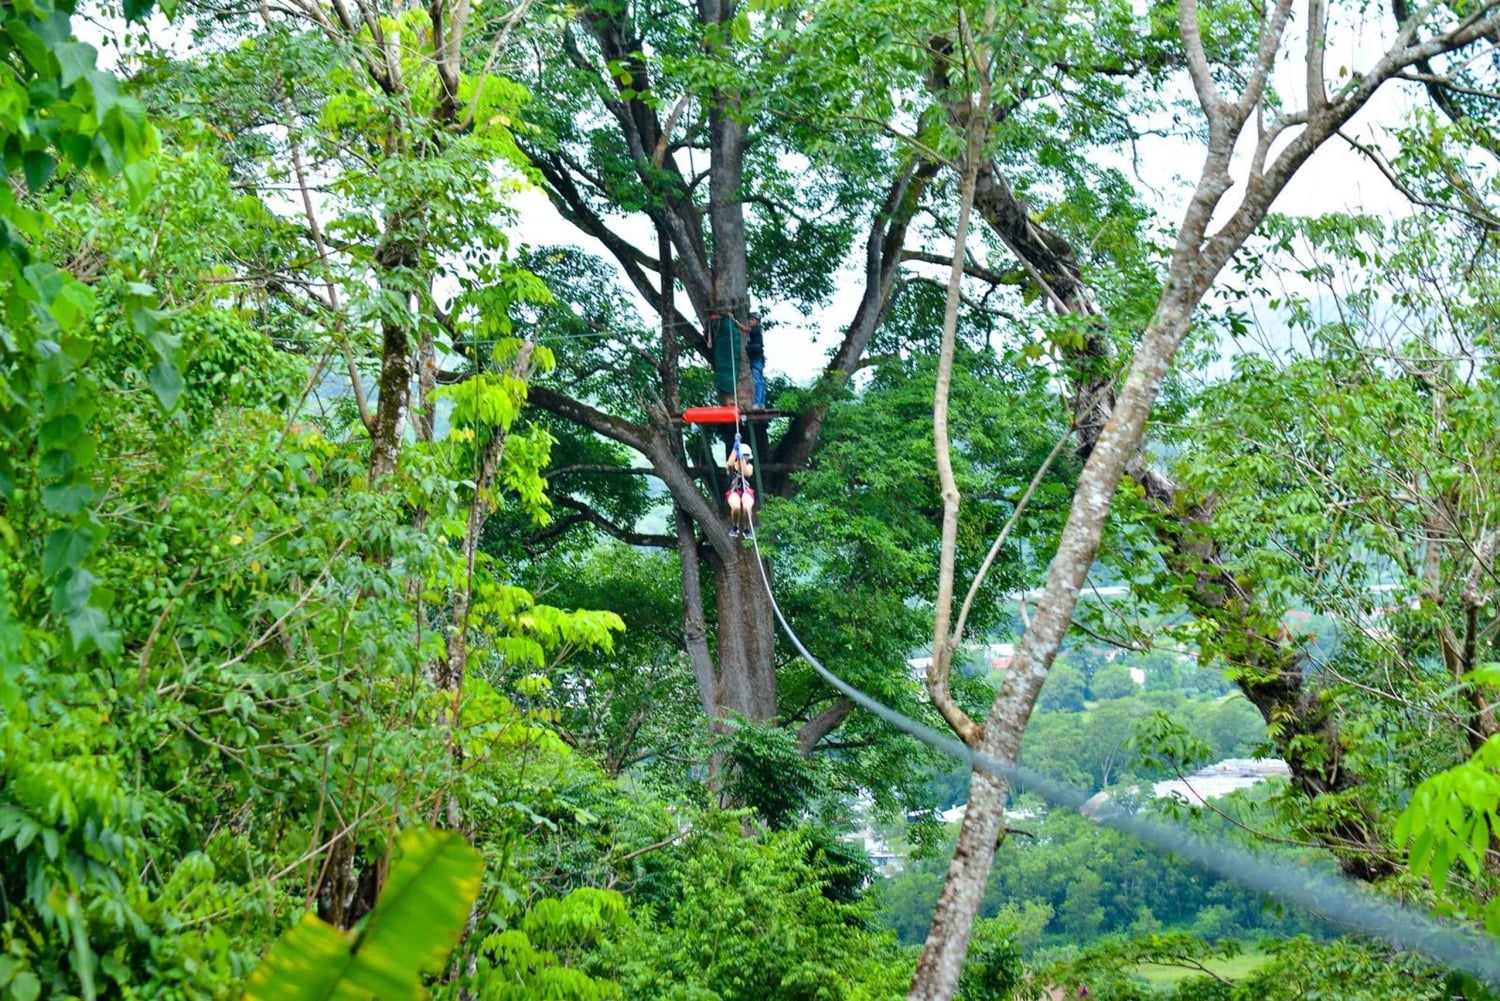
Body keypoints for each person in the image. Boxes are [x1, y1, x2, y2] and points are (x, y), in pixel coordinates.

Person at [708, 308, 742, 406]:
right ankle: (729, 399)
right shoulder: (727, 325)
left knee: (728, 371)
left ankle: (730, 399)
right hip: (726, 354)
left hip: (728, 354)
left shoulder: (726, 324)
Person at [724, 441, 755, 539]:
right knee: (736, 507)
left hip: (746, 491)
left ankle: (746, 528)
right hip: (734, 491)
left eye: (747, 455)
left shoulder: (749, 466)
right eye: (744, 455)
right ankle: (735, 526)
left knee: (747, 508)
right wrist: (735, 449)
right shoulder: (731, 466)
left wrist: (741, 460)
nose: (746, 457)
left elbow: (747, 473)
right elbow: (729, 464)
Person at [745, 311, 766, 409]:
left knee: (757, 381)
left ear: (757, 321)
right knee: (759, 381)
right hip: (757, 359)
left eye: (752, 320)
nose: (750, 321)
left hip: (756, 360)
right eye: (749, 319)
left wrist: (736, 322)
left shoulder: (756, 329)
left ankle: (758, 403)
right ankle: (761, 402)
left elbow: (746, 329)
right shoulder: (756, 331)